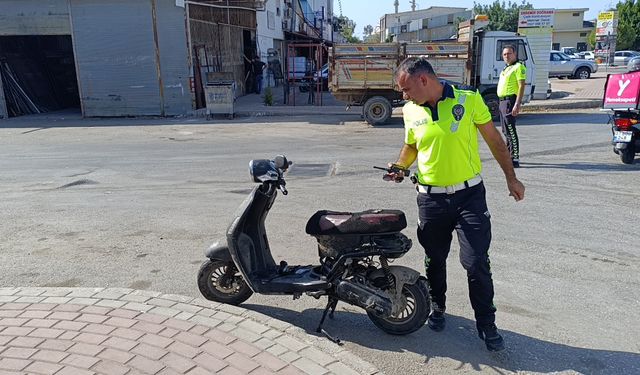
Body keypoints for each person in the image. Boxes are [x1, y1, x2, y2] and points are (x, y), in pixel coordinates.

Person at [386, 57, 525, 352]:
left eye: (407, 89)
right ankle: (437, 305)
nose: (404, 96)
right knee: (434, 259)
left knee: (476, 262)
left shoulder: (468, 99)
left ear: (424, 79)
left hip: (469, 197)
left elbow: (495, 141)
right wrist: (400, 166)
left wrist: (511, 179)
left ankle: (487, 325)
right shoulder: (411, 110)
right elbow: (411, 145)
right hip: (430, 199)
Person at [497, 45, 526, 168]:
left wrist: (517, 104)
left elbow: (521, 85)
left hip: (510, 101)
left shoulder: (519, 67)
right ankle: (509, 155)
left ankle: (515, 158)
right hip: (502, 102)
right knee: (505, 131)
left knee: (511, 131)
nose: (506, 56)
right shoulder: (506, 68)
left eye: (509, 54)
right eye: (504, 54)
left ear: (514, 54)